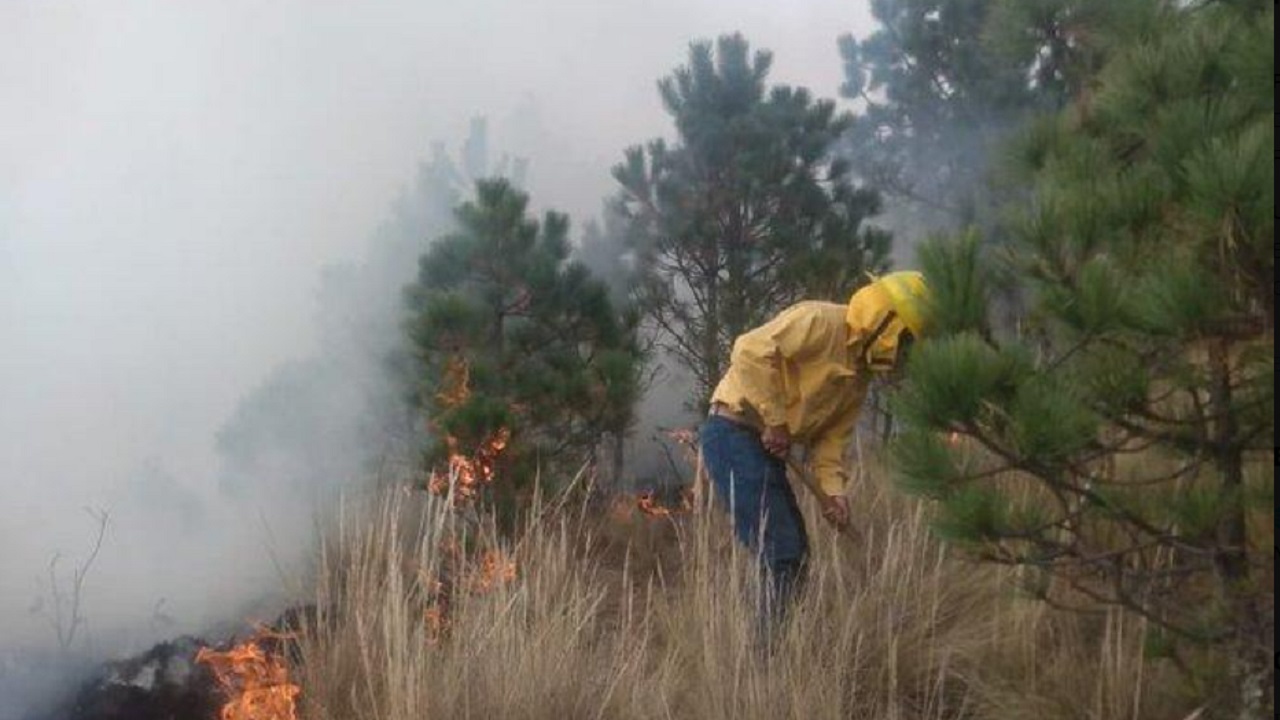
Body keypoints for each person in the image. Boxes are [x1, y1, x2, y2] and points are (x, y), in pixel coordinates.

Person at [698, 271, 931, 626]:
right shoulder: (820, 321)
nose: (905, 355)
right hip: (733, 430)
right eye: (907, 343)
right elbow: (748, 350)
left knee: (794, 555)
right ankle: (764, 660)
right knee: (782, 553)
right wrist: (775, 421)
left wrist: (834, 494)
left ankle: (758, 642)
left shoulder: (858, 380)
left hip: (764, 447)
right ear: (887, 325)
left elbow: (830, 443)